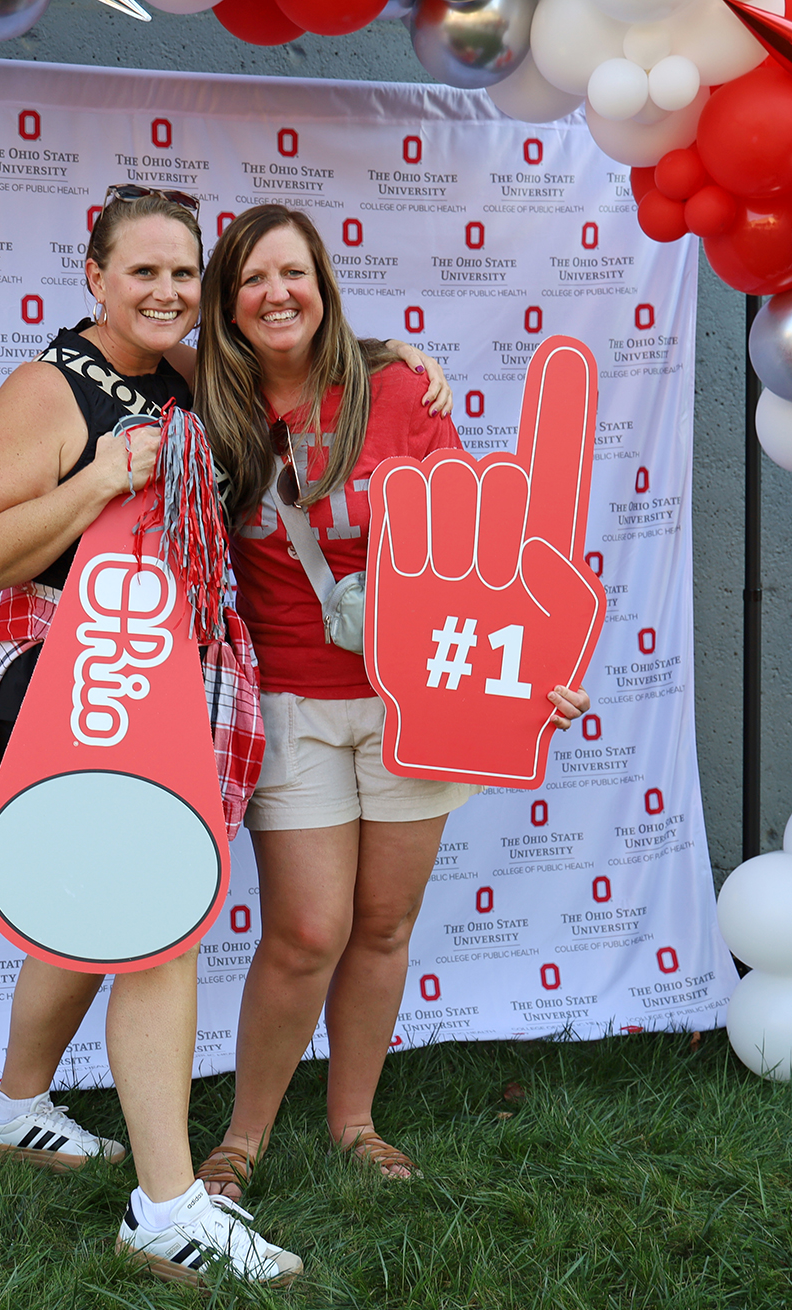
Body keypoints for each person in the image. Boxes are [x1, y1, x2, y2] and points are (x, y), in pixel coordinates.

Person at [0, 186, 451, 1285]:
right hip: (71, 675)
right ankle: (169, 1205)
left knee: (106, 911)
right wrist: (95, 479)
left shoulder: (182, 375)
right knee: (155, 919)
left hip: (153, 677)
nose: (168, 292)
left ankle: (14, 1107)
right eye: (144, 273)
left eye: (183, 274)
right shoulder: (49, 387)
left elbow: (295, 366)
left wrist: (388, 353)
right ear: (94, 276)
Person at [191, 203, 590, 1199]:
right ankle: (241, 1138)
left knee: (380, 923)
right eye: (252, 280)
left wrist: (529, 671)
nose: (276, 293)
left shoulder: (400, 388)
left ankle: (353, 1122)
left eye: (294, 273)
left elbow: (480, 552)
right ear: (227, 306)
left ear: (322, 284)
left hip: (425, 696)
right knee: (307, 930)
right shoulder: (208, 411)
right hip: (294, 703)